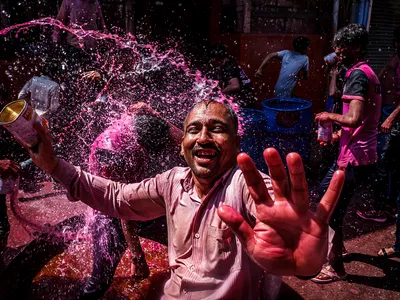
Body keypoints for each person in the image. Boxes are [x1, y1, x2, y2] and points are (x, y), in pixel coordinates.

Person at [22, 99, 344, 299]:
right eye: (195, 130)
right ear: (181, 143)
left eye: (217, 129)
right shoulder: (172, 182)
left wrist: (306, 262)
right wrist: (53, 165)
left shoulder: (249, 186)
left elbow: (285, 227)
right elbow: (116, 197)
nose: (204, 138)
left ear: (236, 143)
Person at [81, 103, 183, 299]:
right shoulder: (112, 155)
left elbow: (184, 140)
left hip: (138, 198)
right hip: (109, 211)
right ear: (140, 145)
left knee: (184, 243)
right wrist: (138, 257)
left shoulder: (143, 117)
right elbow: (123, 208)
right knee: (99, 281)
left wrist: (156, 113)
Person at [313, 24, 382, 283]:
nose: (337, 52)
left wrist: (329, 116)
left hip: (355, 156)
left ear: (354, 47)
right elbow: (364, 120)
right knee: (326, 197)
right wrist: (334, 136)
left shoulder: (359, 76)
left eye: (341, 47)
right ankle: (337, 246)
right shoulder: (365, 72)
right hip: (358, 151)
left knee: (329, 209)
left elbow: (353, 118)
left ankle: (336, 267)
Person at [356, 26, 400, 223]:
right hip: (389, 111)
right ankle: (389, 206)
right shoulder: (396, 57)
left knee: (383, 164)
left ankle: (380, 209)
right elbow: (384, 72)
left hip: (394, 118)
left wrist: (390, 118)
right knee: (391, 165)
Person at [209, 44, 257, 108]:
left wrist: (220, 93)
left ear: (214, 59)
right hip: (249, 99)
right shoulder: (231, 62)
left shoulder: (228, 68)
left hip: (244, 103)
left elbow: (235, 86)